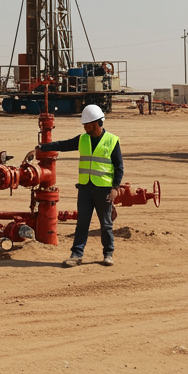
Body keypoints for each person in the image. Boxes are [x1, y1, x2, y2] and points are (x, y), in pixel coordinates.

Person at [36, 104, 123, 267]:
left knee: (106, 224)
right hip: (85, 189)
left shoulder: (112, 140)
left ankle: (108, 254)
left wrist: (115, 188)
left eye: (87, 125)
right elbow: (63, 145)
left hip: (103, 189)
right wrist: (43, 147)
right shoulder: (83, 139)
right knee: (82, 223)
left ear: (96, 123)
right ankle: (76, 255)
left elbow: (119, 167)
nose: (84, 127)